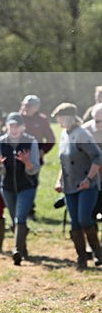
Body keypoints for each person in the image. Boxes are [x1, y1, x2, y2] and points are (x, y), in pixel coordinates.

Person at [51, 102, 102, 270]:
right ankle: (81, 258)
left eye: (59, 117)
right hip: (70, 186)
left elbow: (97, 157)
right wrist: (59, 181)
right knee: (74, 223)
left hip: (86, 185)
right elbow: (64, 162)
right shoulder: (64, 134)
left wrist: (89, 178)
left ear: (68, 117)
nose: (58, 120)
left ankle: (98, 253)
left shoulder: (81, 134)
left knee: (84, 218)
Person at [0, 112, 40, 265]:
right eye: (11, 125)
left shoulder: (31, 142)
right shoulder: (0, 143)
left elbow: (35, 169)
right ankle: (23, 248)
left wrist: (27, 163)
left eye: (16, 126)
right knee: (15, 221)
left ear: (23, 127)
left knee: (20, 218)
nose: (14, 129)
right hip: (7, 188)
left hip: (27, 186)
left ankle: (17, 251)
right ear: (6, 126)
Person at [81, 104, 102, 226]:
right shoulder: (85, 131)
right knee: (90, 213)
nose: (101, 124)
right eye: (98, 121)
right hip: (90, 178)